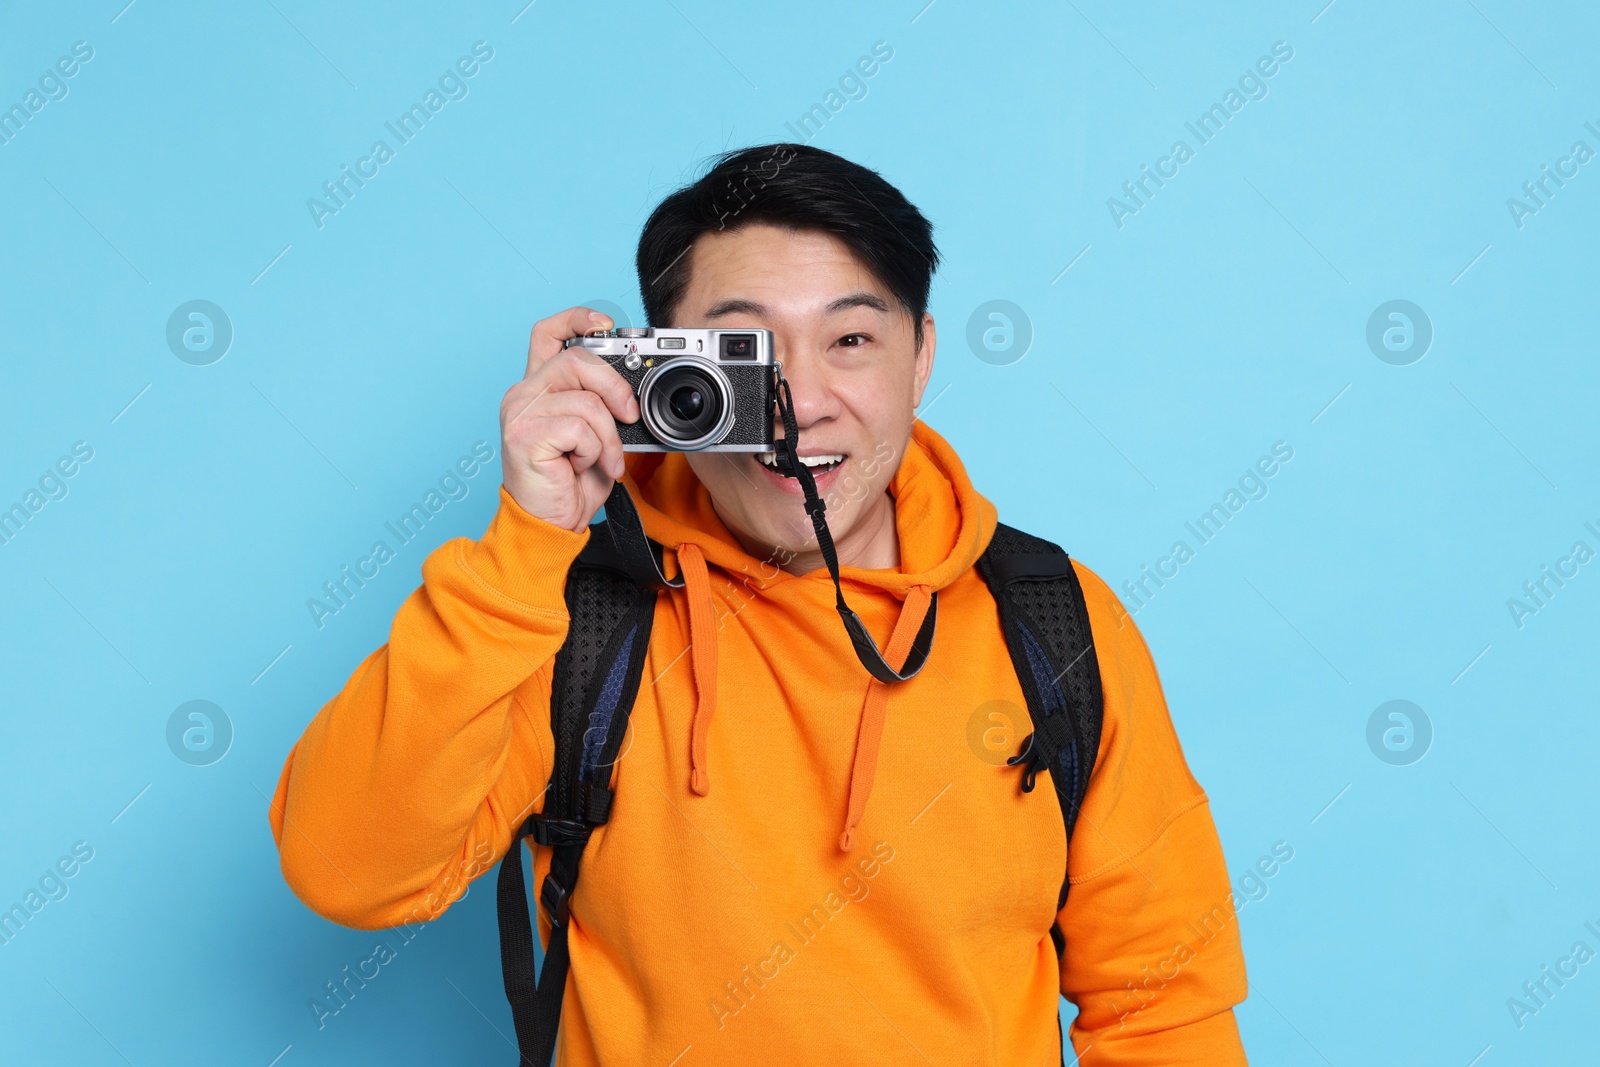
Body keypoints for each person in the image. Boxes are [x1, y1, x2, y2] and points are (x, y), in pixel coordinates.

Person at [270, 143, 1249, 1065]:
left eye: (852, 338)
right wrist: (527, 540)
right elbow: (348, 870)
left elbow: (1163, 998)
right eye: (744, 352)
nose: (800, 400)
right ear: (663, 377)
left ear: (921, 358)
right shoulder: (573, 615)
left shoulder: (1054, 620)